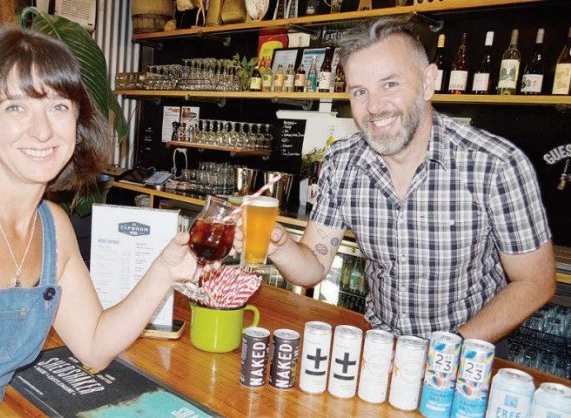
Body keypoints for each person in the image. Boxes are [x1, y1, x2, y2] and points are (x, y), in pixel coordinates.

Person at [0, 26, 197, 417]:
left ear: (77, 122)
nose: (43, 131)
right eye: (16, 107)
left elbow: (94, 344)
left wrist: (163, 271)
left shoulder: (54, 228)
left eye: (59, 106)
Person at [237, 16, 556, 349]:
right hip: (380, 347)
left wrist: (442, 351)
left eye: (390, 84)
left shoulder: (494, 164)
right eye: (360, 92)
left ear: (429, 82)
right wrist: (280, 246)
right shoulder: (343, 162)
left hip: (469, 348)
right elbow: (314, 266)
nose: (374, 107)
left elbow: (535, 281)